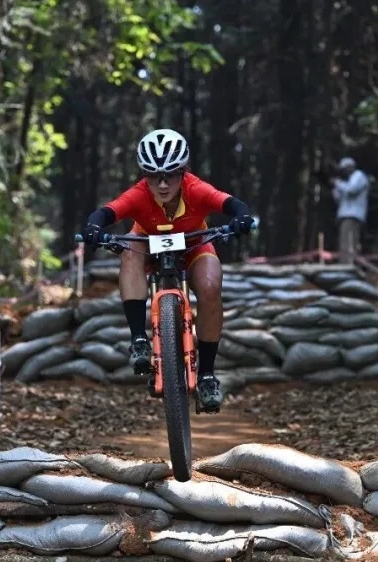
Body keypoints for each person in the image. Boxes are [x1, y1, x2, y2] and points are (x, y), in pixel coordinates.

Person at [80, 128, 256, 413]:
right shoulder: (138, 194)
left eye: (171, 175)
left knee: (211, 286)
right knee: (128, 254)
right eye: (153, 176)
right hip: (148, 245)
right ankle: (139, 340)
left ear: (183, 172)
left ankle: (208, 375)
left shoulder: (196, 188)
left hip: (195, 246)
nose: (162, 185)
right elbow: (107, 212)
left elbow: (232, 204)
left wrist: (242, 218)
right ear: (144, 176)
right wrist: (93, 228)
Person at [331, 157, 370, 258]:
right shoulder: (347, 181)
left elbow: (351, 190)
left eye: (345, 168)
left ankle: (349, 264)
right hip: (345, 215)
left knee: (350, 242)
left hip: (352, 215)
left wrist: (338, 184)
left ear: (351, 167)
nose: (343, 171)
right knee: (344, 242)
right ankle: (345, 264)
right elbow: (339, 199)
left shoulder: (359, 176)